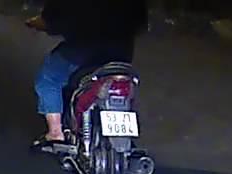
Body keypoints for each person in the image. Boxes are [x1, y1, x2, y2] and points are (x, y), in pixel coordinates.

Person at [27, 0, 149, 150]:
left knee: (49, 78)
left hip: (82, 49)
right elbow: (141, 23)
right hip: (121, 51)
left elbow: (53, 21)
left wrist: (39, 23)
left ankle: (55, 132)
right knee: (120, 79)